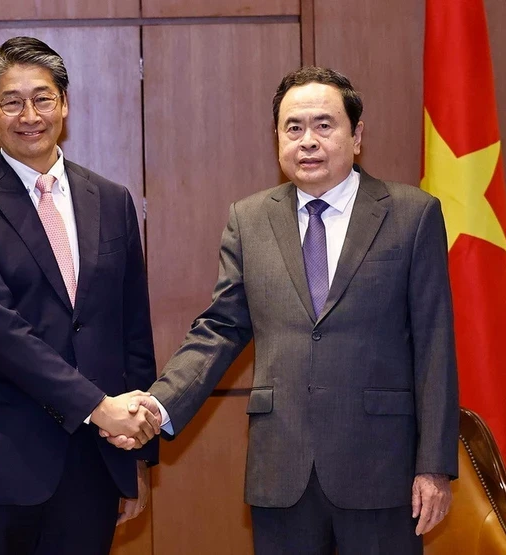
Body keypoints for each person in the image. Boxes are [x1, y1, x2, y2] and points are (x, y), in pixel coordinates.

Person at [107, 66, 459, 555]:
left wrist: (435, 465)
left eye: (324, 125)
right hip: (281, 470)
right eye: (293, 128)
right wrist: (160, 405)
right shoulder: (249, 219)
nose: (307, 141)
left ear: (356, 136)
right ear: (277, 138)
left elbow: (435, 344)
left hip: (382, 470)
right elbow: (221, 328)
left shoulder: (411, 214)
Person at [0, 36, 159, 555]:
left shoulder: (113, 199)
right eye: (11, 101)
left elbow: (131, 329)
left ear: (65, 104)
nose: (29, 114)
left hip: (94, 460)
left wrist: (135, 452)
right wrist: (100, 408)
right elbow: (1, 335)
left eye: (43, 98)